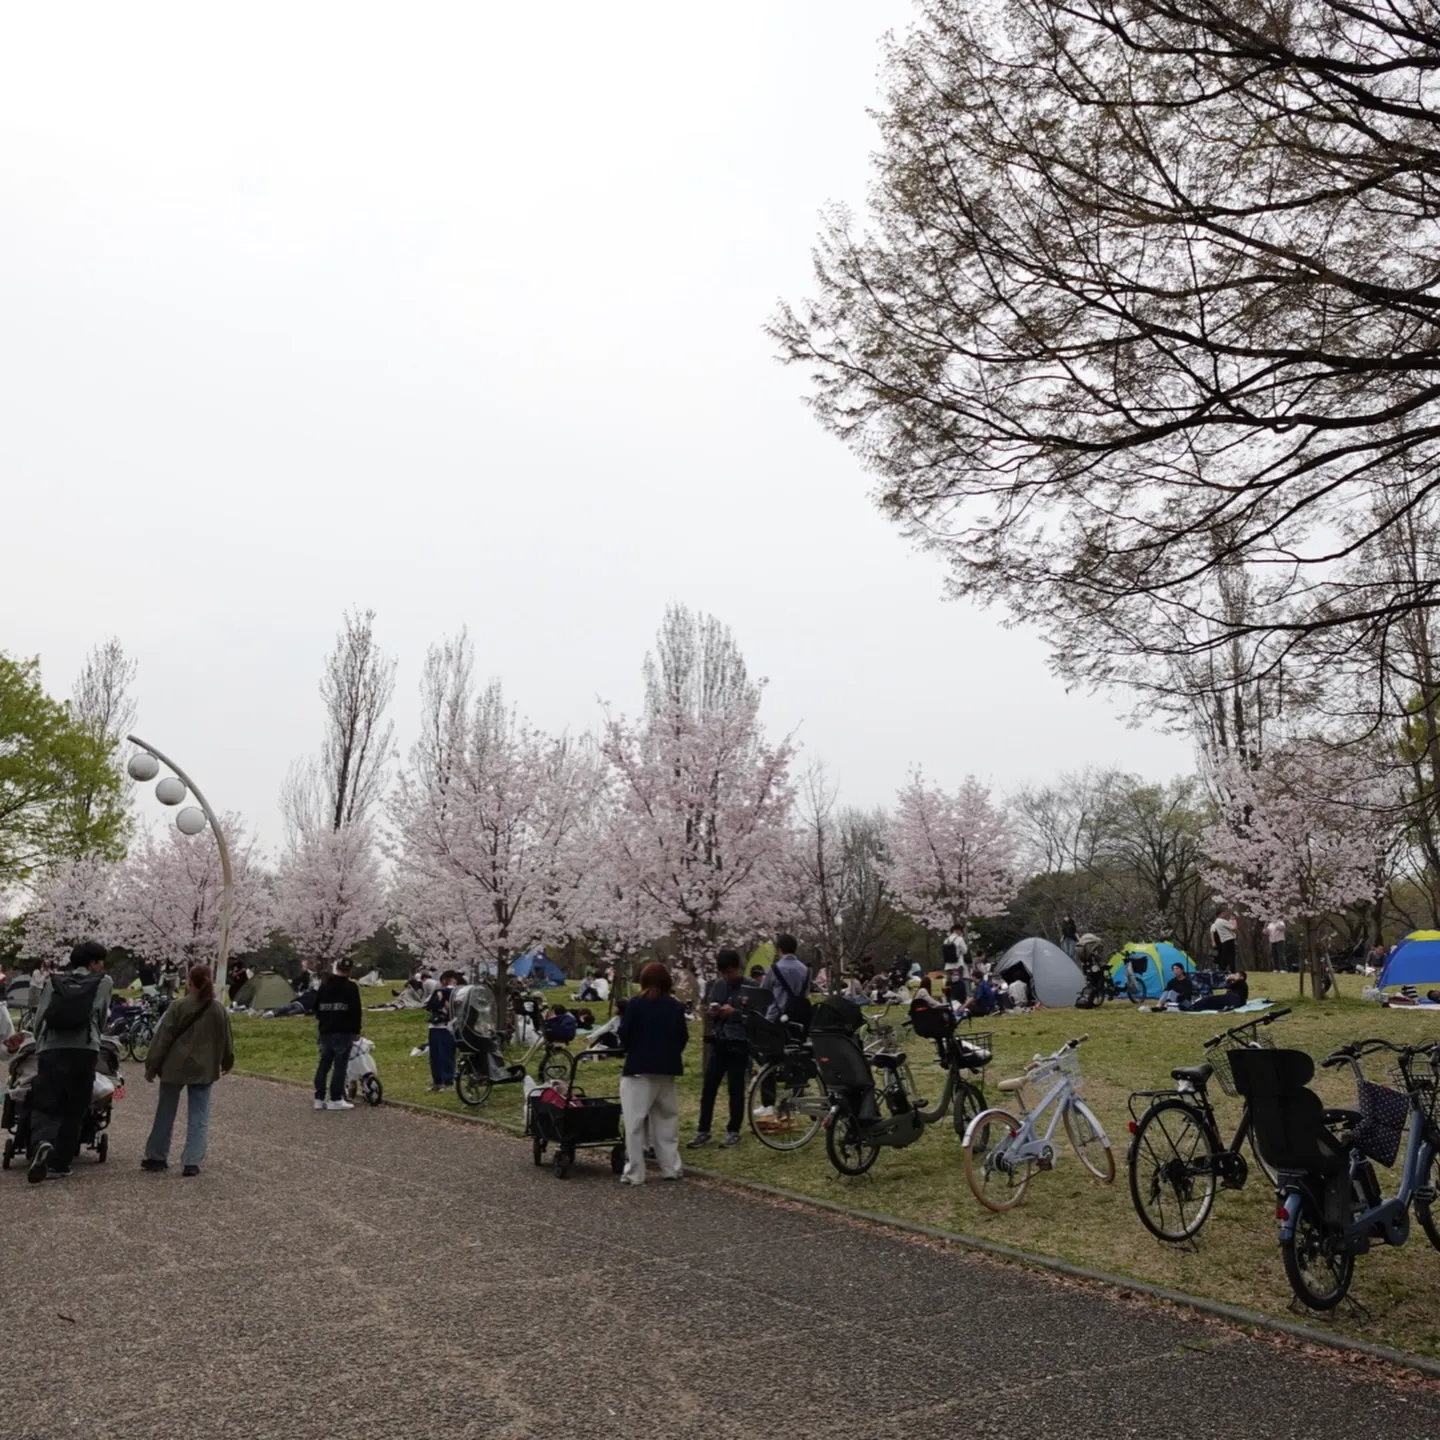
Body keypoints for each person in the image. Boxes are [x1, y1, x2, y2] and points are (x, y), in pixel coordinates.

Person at [26, 941, 113, 1183]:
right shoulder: (104, 982)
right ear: (93, 963)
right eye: (100, 961)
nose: (102, 965)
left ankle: (42, 1143)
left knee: (46, 1103)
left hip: (52, 1049)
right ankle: (61, 1163)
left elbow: (40, 1016)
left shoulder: (54, 981)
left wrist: (40, 1043)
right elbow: (102, 1015)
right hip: (85, 1049)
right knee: (75, 1105)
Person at [141, 964, 234, 1176]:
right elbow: (226, 1039)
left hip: (175, 1067)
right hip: (204, 1068)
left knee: (165, 1112)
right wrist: (227, 1062)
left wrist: (151, 1065)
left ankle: (156, 1156)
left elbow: (162, 1038)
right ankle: (192, 1161)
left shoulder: (178, 1006)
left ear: (190, 982)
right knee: (199, 1116)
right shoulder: (218, 1009)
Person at [617, 962, 688, 1184]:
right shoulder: (675, 1007)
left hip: (639, 1070)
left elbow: (625, 1034)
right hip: (667, 1069)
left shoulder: (636, 1005)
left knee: (635, 1124)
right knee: (666, 1121)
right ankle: (671, 1167)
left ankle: (635, 1172)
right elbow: (682, 1037)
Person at [688, 949, 749, 1150]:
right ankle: (703, 1129)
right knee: (709, 1087)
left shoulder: (751, 986)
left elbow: (757, 1017)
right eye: (723, 973)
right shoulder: (718, 986)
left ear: (737, 968)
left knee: (736, 1088)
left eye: (729, 972)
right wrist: (715, 1012)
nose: (726, 976)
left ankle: (734, 1130)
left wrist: (736, 1013)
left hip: (739, 1042)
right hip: (720, 1040)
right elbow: (711, 1013)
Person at [313, 958, 363, 1111]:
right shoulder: (351, 987)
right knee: (340, 1066)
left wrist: (324, 1020)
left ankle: (319, 1098)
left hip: (326, 1030)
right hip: (343, 1031)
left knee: (324, 1065)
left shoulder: (325, 985)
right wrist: (356, 1030)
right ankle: (335, 1098)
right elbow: (356, 1010)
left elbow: (316, 1007)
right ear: (350, 970)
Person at [764, 935, 811, 1032]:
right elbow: (806, 992)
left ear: (779, 949)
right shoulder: (805, 970)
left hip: (776, 1017)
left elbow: (764, 992)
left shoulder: (774, 969)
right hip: (799, 1017)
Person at [425, 970, 461, 1091]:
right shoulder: (438, 992)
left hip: (447, 1026)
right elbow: (430, 1005)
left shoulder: (457, 993)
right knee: (435, 1055)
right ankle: (437, 1081)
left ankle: (448, 1081)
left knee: (445, 1054)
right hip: (435, 1025)